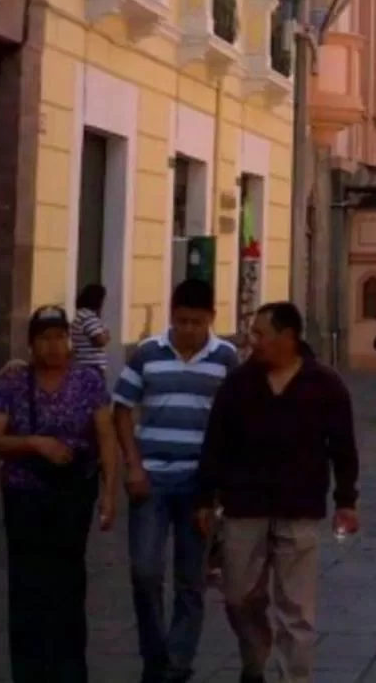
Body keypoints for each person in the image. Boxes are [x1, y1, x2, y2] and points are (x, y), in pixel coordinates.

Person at [198, 301, 360, 683]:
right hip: (243, 506)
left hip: (299, 507)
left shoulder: (325, 384)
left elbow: (343, 447)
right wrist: (205, 498)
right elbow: (215, 442)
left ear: (287, 337)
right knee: (238, 596)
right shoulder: (239, 383)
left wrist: (346, 501)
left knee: (297, 611)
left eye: (260, 334)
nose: (252, 341)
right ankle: (256, 651)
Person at [114, 278, 240, 683]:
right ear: (171, 315)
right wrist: (132, 465)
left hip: (199, 485)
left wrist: (222, 486)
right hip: (151, 480)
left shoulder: (226, 358)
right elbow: (121, 409)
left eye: (196, 322)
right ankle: (154, 654)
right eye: (182, 321)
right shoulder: (147, 353)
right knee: (145, 571)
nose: (188, 329)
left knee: (191, 579)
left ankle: (178, 662)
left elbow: (236, 421)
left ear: (210, 319)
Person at [0, 305, 118, 683]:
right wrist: (34, 443)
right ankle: (29, 669)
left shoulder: (88, 381)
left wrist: (109, 493)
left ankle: (70, 668)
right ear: (31, 344)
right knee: (27, 582)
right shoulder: (13, 384)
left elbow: (105, 436)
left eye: (60, 337)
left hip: (74, 493)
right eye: (45, 338)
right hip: (26, 494)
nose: (54, 346)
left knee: (68, 580)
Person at [71, 283, 112, 383]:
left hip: (82, 363)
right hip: (92, 366)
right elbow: (99, 341)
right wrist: (106, 335)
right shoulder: (89, 317)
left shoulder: (80, 315)